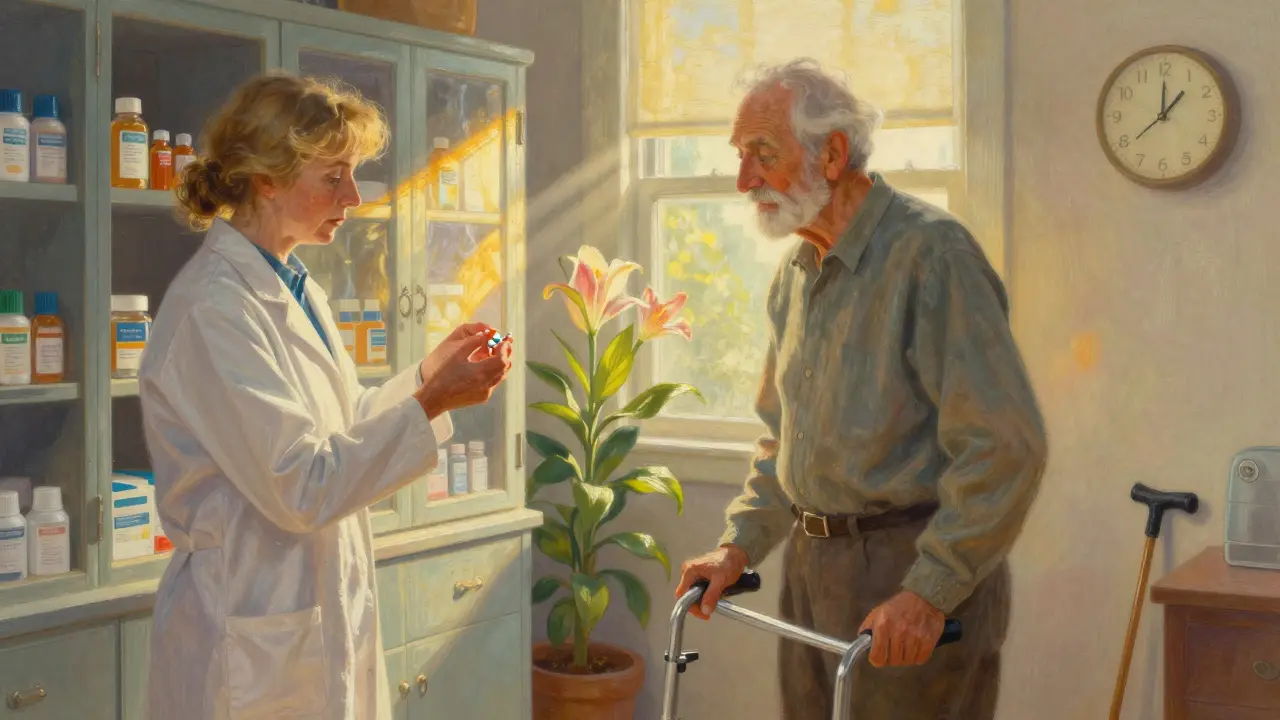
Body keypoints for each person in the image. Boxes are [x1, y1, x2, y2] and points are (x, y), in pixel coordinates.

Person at [673, 58, 1048, 719]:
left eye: (762, 154)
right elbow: (781, 442)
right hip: (810, 575)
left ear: (833, 154)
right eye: (740, 157)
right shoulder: (794, 275)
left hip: (909, 574)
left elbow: (1005, 446)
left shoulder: (933, 256)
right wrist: (738, 548)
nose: (742, 180)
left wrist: (929, 593)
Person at [138, 71, 513, 720]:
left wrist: (429, 377)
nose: (356, 195)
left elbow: (342, 424)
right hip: (247, 640)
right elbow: (301, 484)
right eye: (333, 176)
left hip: (305, 614)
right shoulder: (213, 309)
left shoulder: (293, 285)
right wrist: (432, 404)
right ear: (268, 178)